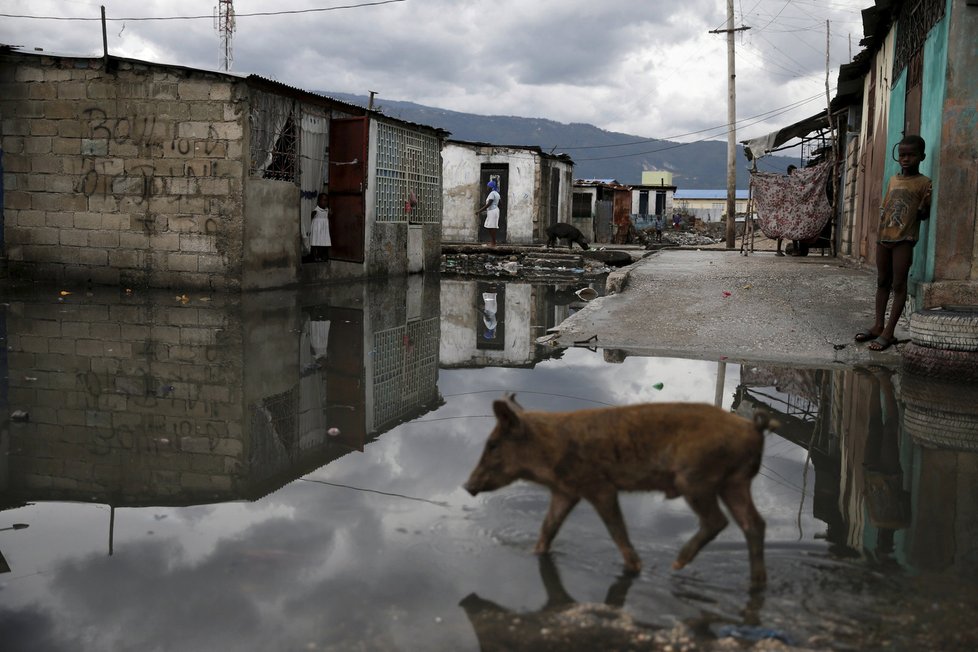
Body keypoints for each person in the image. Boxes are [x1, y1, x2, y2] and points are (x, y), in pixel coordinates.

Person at [854, 135, 932, 352]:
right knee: (882, 282)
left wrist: (924, 208)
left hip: (904, 240)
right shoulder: (893, 180)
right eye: (902, 155)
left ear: (921, 157)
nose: (906, 159)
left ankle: (889, 332)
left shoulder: (925, 183)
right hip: (884, 237)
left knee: (899, 285)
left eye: (911, 155)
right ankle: (878, 325)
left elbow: (923, 215)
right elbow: (886, 207)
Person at [776, 165, 797, 257]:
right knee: (783, 230)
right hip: (786, 209)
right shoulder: (788, 181)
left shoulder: (793, 181)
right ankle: (779, 250)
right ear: (790, 172)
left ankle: (794, 250)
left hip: (791, 209)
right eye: (794, 171)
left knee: (794, 230)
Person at [475, 180, 501, 247]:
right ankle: (493, 242)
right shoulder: (497, 193)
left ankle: (493, 243)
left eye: (488, 186)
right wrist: (494, 208)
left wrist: (479, 211)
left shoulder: (492, 193)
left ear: (491, 187)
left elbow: (489, 204)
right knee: (490, 226)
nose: (487, 187)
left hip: (493, 211)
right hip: (494, 210)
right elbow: (501, 203)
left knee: (491, 227)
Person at [309, 192, 332, 262]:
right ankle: (315, 257)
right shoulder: (316, 210)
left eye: (326, 200)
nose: (325, 202)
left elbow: (328, 218)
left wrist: (329, 215)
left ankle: (322, 256)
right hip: (317, 230)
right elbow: (312, 215)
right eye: (324, 200)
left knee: (323, 243)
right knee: (316, 242)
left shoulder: (327, 210)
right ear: (319, 201)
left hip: (324, 230)